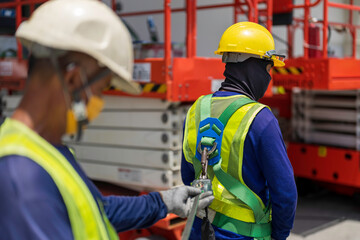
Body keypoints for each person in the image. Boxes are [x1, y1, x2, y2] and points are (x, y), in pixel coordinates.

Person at [0, 0, 214, 239]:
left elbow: (97, 210)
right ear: (73, 80)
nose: (99, 104)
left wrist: (163, 202)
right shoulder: (22, 180)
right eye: (100, 90)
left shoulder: (47, 151)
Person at [181, 22, 298, 240]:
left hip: (199, 230)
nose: (269, 76)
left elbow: (188, 175)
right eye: (268, 68)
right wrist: (279, 235)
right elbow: (285, 193)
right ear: (253, 66)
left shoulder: (196, 109)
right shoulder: (260, 118)